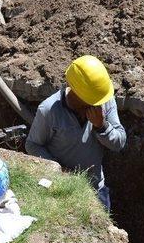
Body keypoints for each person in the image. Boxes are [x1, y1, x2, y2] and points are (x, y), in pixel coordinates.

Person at [25, 55, 126, 211]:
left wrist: (102, 126)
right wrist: (59, 170)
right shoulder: (49, 111)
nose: (99, 104)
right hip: (60, 190)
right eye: (94, 101)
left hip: (95, 189)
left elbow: (119, 143)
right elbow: (33, 145)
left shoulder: (103, 99)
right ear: (78, 94)